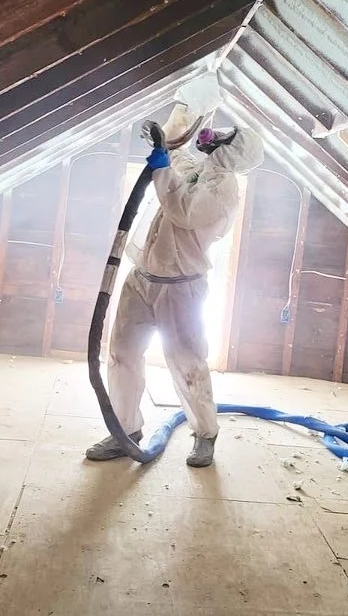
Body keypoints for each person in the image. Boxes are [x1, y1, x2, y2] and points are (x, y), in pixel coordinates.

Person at [85, 120, 264, 468]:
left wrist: (163, 169)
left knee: (188, 364)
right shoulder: (198, 169)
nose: (214, 136)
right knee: (122, 354)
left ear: (232, 151)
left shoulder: (223, 191)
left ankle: (205, 434)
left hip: (182, 289)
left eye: (224, 136)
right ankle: (125, 431)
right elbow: (177, 162)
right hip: (143, 278)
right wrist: (165, 144)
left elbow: (182, 209)